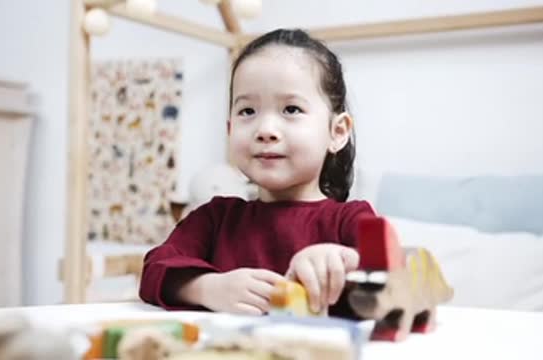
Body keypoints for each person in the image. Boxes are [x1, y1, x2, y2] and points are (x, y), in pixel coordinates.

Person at [139, 28, 375, 317]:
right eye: (248, 111)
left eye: (291, 109)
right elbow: (154, 269)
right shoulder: (215, 217)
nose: (265, 131)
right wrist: (207, 288)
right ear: (230, 130)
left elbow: (394, 284)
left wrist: (344, 262)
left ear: (337, 132)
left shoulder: (352, 219)